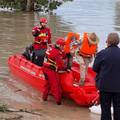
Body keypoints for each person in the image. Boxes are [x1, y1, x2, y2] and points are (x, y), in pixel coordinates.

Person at [93, 33, 120, 120]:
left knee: (105, 110)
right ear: (118, 42)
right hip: (118, 87)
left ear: (108, 41)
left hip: (105, 86)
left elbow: (95, 68)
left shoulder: (102, 53)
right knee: (118, 110)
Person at [42, 38, 66, 105]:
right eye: (62, 46)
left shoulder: (51, 48)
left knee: (47, 84)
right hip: (50, 70)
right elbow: (60, 64)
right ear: (59, 45)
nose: (63, 47)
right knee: (56, 86)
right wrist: (65, 69)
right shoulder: (56, 53)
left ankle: (44, 98)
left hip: (44, 68)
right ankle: (58, 102)